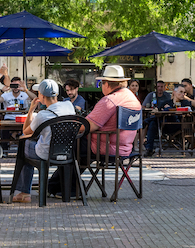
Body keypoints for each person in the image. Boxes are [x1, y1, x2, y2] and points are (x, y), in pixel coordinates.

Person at [47, 64, 141, 197]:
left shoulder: (110, 100)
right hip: (125, 147)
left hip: (105, 147)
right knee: (79, 151)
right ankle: (56, 186)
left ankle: (71, 189)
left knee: (69, 146)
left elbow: (86, 126)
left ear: (107, 84)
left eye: (101, 83)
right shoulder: (132, 98)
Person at [12, 79, 75, 203]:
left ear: (41, 96)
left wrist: (31, 110)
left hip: (45, 154)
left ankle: (24, 193)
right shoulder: (69, 106)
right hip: (67, 152)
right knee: (28, 145)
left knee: (24, 144)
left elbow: (25, 131)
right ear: (56, 94)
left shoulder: (42, 115)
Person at [143, 83, 192, 157]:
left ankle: (146, 121)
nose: (183, 94)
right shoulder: (166, 102)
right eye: (181, 92)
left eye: (184, 92)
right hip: (164, 125)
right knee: (153, 123)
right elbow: (155, 112)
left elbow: (189, 113)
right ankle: (149, 149)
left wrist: (168, 110)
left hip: (178, 125)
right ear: (174, 92)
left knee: (165, 111)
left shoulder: (186, 103)